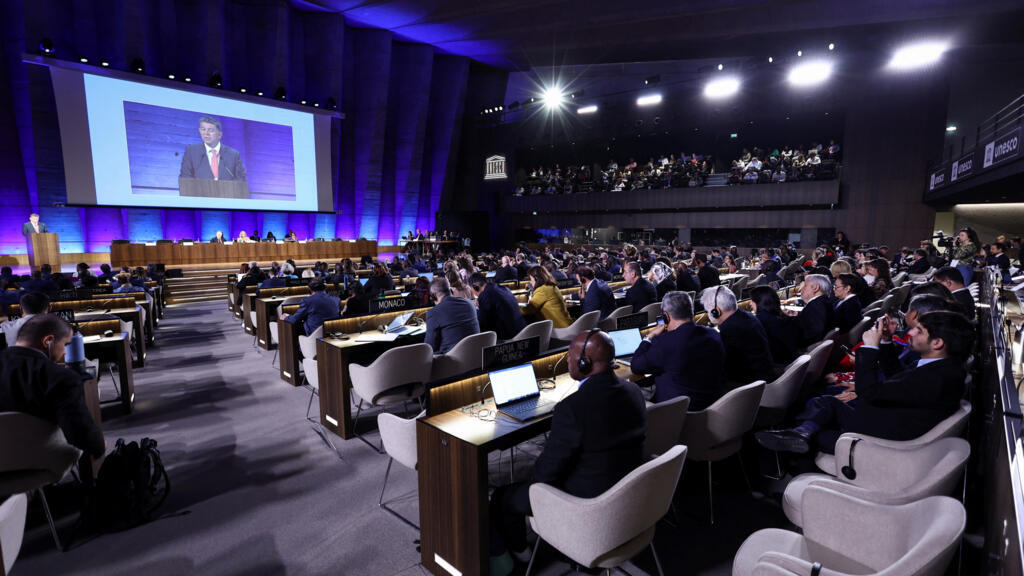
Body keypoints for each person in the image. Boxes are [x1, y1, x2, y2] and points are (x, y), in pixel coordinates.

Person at [489, 330, 646, 572]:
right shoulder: (634, 391)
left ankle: (519, 559)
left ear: (586, 363)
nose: (568, 361)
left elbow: (543, 477)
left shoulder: (572, 408)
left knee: (503, 497)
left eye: (570, 356)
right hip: (628, 496)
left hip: (585, 506)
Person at [756, 311, 972, 454]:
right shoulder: (944, 368)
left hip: (883, 438)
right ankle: (802, 432)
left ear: (938, 343)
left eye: (919, 330)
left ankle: (801, 450)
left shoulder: (936, 378)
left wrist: (868, 349)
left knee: (818, 428)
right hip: (887, 421)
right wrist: (887, 342)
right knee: (825, 403)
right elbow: (896, 377)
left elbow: (869, 391)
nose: (910, 332)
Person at [0, 314, 105, 458]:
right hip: (39, 455)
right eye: (65, 345)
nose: (65, 352)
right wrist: (100, 446)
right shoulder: (61, 378)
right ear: (48, 341)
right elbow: (80, 435)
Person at [629, 291, 725, 409]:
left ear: (666, 316)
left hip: (677, 413)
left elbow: (636, 366)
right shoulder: (713, 334)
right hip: (713, 405)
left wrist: (649, 337)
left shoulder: (665, 342)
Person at [703, 286, 776, 385]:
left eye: (708, 311)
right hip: (765, 376)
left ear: (716, 311)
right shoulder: (748, 316)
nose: (708, 314)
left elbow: (721, 367)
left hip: (752, 388)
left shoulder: (729, 330)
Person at [179, 115, 247, 181]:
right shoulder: (192, 151)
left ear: (219, 135)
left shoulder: (233, 155)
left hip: (227, 192)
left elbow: (240, 179)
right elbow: (185, 177)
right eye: (203, 129)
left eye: (211, 130)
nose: (206, 133)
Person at [424, 277, 480, 355]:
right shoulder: (469, 303)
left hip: (450, 361)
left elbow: (429, 347)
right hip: (475, 356)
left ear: (434, 296)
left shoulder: (433, 313)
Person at [750, 286, 801, 365]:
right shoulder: (781, 316)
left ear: (759, 302)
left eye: (752, 300)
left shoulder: (760, 320)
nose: (750, 303)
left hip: (778, 366)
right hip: (791, 359)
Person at [469, 273, 526, 340]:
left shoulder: (485, 295)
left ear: (475, 287)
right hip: (522, 331)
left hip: (508, 338)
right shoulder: (502, 288)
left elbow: (482, 323)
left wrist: (476, 308)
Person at [791, 274, 835, 346]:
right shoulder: (822, 302)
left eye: (805, 285)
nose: (802, 289)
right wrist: (797, 315)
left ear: (815, 288)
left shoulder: (816, 306)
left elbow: (815, 334)